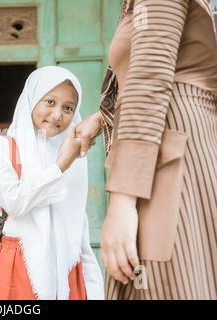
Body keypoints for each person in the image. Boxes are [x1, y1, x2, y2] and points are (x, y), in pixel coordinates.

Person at [76, 0, 217, 299]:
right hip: (173, 150)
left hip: (169, 162)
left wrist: (123, 201)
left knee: (161, 282)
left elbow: (151, 77)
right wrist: (102, 118)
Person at [0, 66, 104, 300]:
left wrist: (96, 291)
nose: (57, 115)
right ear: (31, 99)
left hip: (68, 273)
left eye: (68, 108)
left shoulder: (74, 160)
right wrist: (59, 167)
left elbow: (79, 234)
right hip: (18, 267)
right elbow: (15, 202)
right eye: (49, 102)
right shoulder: (0, 149)